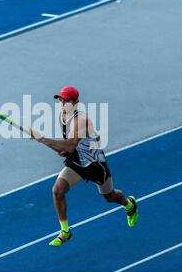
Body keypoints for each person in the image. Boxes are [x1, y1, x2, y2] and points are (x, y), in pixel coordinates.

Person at [33, 86, 139, 247]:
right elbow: (69, 148)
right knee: (57, 190)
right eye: (60, 100)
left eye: (66, 100)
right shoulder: (62, 117)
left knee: (109, 197)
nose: (62, 103)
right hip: (76, 163)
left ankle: (129, 205)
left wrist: (43, 140)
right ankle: (65, 231)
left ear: (75, 102)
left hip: (95, 165)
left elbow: (69, 145)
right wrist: (61, 151)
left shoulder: (81, 120)